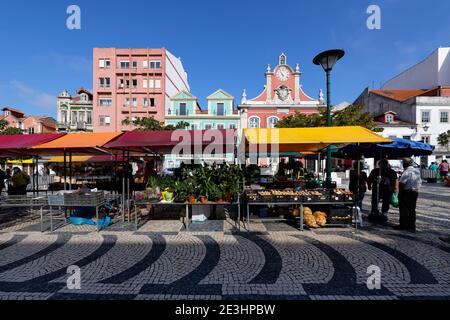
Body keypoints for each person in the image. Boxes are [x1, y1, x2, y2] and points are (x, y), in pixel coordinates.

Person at [394, 158, 422, 232]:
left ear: (405, 164)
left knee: (404, 209)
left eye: (403, 163)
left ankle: (403, 225)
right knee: (412, 209)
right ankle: (411, 225)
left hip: (406, 192)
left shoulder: (407, 172)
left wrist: (400, 193)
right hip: (415, 191)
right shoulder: (417, 171)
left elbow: (402, 183)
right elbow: (419, 181)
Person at [367, 159, 398, 223]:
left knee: (385, 201)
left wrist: (395, 188)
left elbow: (395, 180)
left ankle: (383, 213)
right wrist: (369, 185)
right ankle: (375, 212)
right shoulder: (375, 171)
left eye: (384, 164)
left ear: (387, 164)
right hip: (377, 189)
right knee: (375, 201)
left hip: (388, 189)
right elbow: (370, 179)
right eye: (382, 164)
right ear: (379, 165)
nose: (383, 165)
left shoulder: (391, 172)